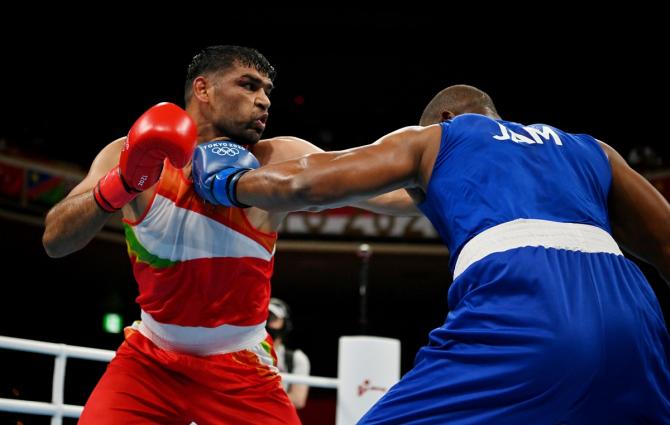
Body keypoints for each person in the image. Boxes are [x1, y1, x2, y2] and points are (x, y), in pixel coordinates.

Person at [200, 84, 670, 424]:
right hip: (633, 314)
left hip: (527, 299)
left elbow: (308, 182)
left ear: (446, 120)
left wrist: (226, 182)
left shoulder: (441, 138)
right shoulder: (592, 150)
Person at [42, 45, 418, 425]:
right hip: (150, 360)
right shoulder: (133, 154)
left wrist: (451, 168)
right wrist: (122, 182)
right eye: (249, 86)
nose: (264, 101)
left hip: (242, 370)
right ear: (203, 89)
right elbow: (55, 241)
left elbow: (389, 192)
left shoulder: (278, 158)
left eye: (268, 91)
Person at [267, 297, 311, 409]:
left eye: (272, 317)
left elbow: (298, 400)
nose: (266, 322)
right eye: (263, 317)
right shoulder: (245, 354)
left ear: (285, 324)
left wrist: (260, 393)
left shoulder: (296, 359)